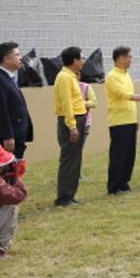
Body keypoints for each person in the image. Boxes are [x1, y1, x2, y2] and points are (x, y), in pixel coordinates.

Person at [105, 47, 140, 195]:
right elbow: (122, 94)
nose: (131, 60)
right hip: (119, 121)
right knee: (119, 154)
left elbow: (129, 99)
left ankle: (124, 182)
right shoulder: (112, 76)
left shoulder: (126, 75)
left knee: (130, 154)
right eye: (129, 57)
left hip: (129, 120)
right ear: (119, 58)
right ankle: (114, 186)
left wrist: (135, 119)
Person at [53, 47, 87, 206]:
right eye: (82, 58)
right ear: (74, 60)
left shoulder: (71, 76)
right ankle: (64, 197)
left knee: (75, 159)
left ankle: (70, 194)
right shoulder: (65, 77)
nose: (83, 61)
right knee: (69, 159)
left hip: (78, 118)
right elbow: (67, 104)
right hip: (71, 121)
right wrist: (72, 126)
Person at [0, 42, 33, 159]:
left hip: (17, 135)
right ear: (6, 59)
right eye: (17, 55)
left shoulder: (9, 78)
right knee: (6, 172)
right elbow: (0, 110)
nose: (20, 58)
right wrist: (7, 136)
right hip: (7, 139)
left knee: (15, 171)